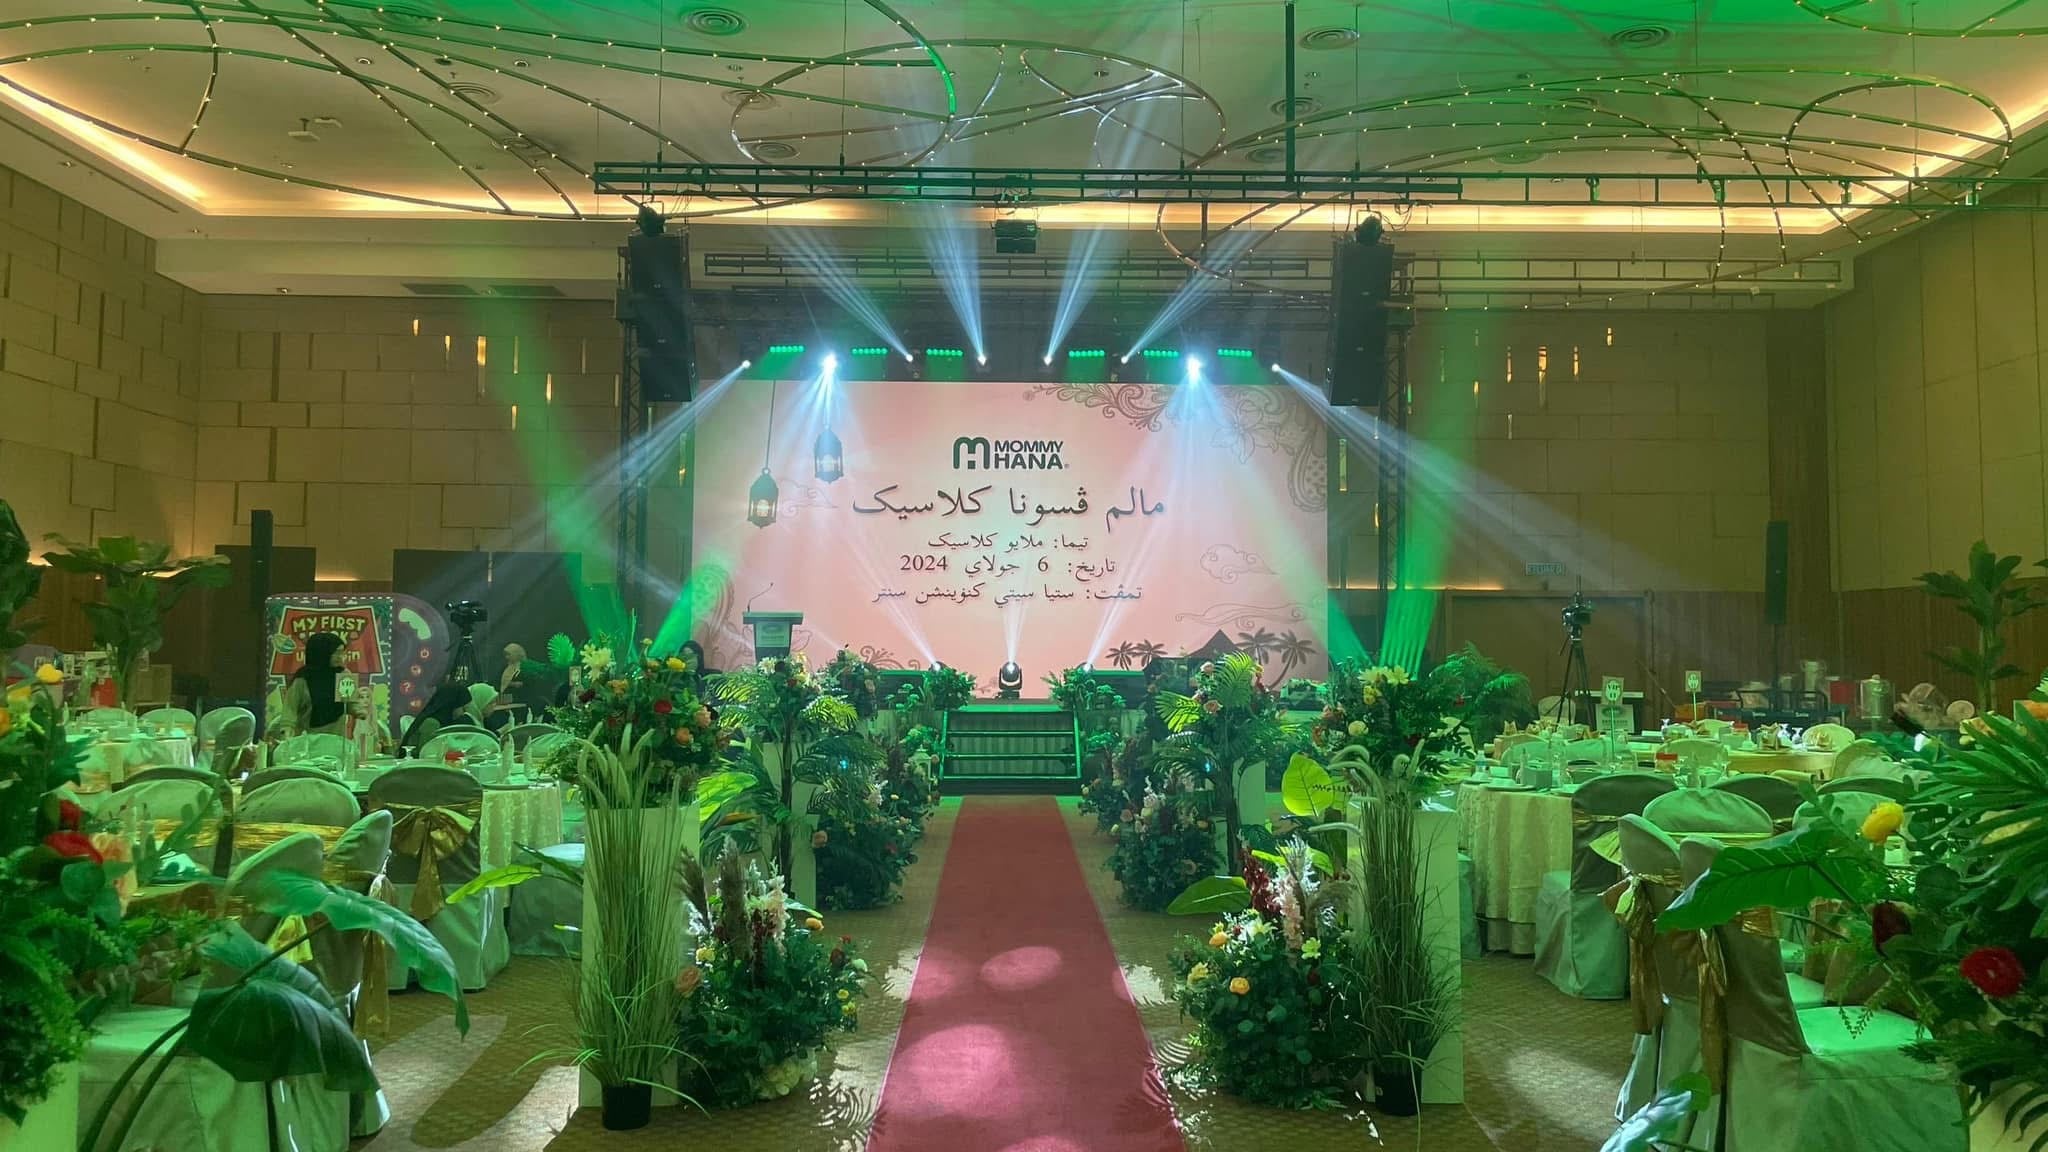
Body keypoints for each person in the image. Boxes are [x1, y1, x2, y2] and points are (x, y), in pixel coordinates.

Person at [281, 632, 350, 737]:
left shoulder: (344, 675)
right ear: (322, 653)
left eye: (342, 653)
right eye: (336, 653)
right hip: (308, 741)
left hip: (337, 740)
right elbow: (290, 708)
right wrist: (287, 728)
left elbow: (349, 703)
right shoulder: (302, 679)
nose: (340, 657)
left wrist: (358, 709)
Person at [497, 642, 552, 720]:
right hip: (507, 700)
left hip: (524, 700)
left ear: (516, 654)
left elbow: (532, 683)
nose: (507, 657)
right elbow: (497, 682)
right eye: (505, 655)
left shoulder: (527, 667)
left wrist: (518, 684)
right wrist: (511, 684)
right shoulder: (504, 668)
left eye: (509, 654)